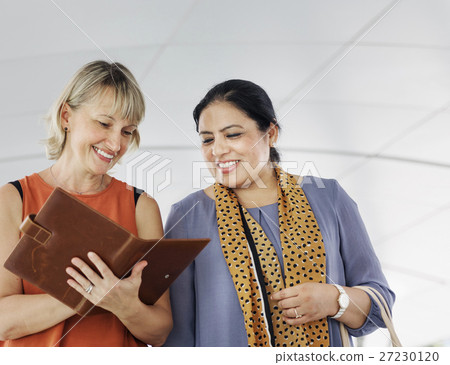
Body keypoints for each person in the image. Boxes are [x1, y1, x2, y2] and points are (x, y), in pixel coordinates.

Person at [164, 79, 395, 347]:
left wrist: (334, 300)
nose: (217, 150)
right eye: (207, 139)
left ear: (271, 133)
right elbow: (177, 338)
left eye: (233, 134)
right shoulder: (187, 217)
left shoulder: (328, 198)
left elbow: (381, 306)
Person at [0, 60, 172, 347]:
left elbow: (160, 330)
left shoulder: (141, 206)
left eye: (127, 131)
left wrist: (124, 305)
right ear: (66, 116)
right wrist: (88, 293)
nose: (116, 144)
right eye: (104, 123)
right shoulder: (12, 199)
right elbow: (3, 321)